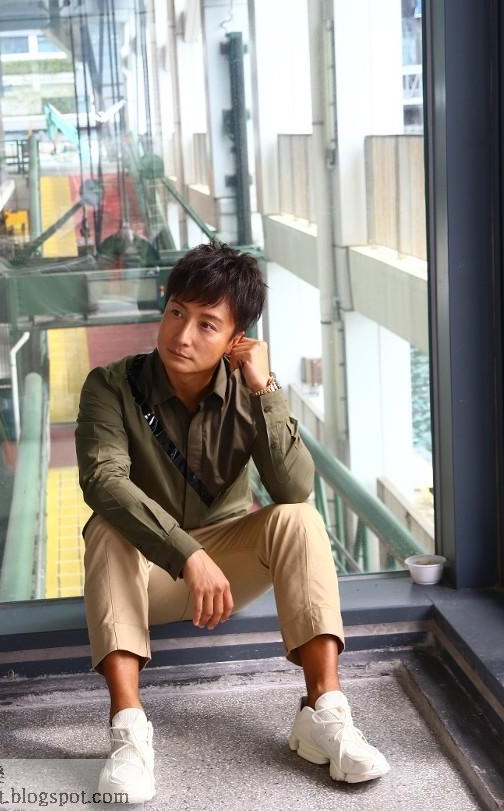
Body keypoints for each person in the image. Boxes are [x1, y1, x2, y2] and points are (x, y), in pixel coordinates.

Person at [75, 241, 390, 802]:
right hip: (144, 573)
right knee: (105, 526)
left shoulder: (250, 391)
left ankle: (324, 713)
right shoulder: (111, 385)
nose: (182, 335)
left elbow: (293, 488)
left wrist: (264, 389)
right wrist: (188, 554)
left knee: (298, 519)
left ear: (235, 338)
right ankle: (128, 734)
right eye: (176, 312)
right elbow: (103, 481)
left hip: (225, 571)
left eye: (207, 324)